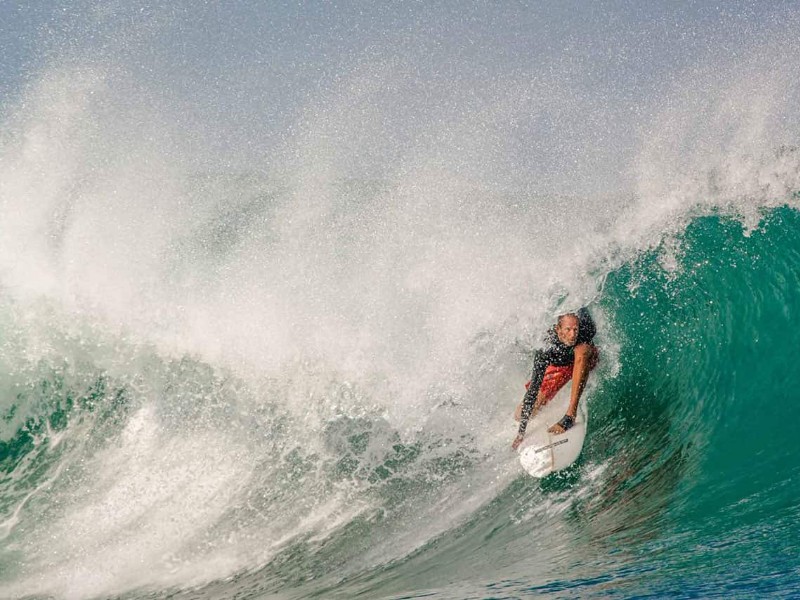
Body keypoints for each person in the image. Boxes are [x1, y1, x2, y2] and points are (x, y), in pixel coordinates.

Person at [511, 308, 598, 450]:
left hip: (583, 360)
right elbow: (533, 390)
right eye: (568, 330)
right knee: (520, 414)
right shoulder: (546, 349)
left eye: (575, 330)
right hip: (562, 367)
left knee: (582, 351)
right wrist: (521, 433)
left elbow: (589, 351)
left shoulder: (586, 329)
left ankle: (570, 415)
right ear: (558, 329)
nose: (572, 335)